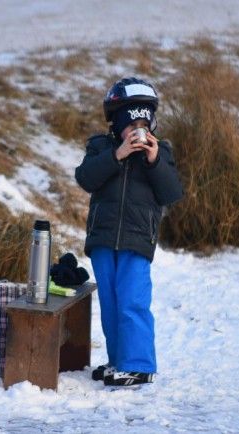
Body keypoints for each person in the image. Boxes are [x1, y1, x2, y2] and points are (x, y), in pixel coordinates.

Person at [75, 77, 183, 386]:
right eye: (130, 121)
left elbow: (171, 192)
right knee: (110, 303)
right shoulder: (101, 147)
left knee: (132, 300)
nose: (137, 128)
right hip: (103, 239)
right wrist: (116, 155)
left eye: (143, 121)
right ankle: (118, 361)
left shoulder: (161, 153)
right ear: (115, 123)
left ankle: (139, 365)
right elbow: (86, 178)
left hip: (137, 240)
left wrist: (153, 160)